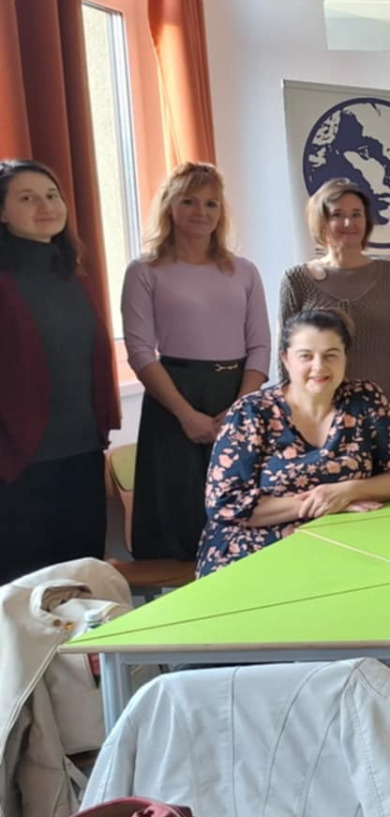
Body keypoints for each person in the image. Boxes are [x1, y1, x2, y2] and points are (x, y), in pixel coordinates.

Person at [120, 162, 271, 561]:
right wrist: (186, 415)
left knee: (240, 513)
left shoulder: (244, 271)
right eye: (189, 201)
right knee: (177, 517)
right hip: (173, 400)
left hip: (236, 395)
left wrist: (238, 410)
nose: (201, 211)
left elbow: (260, 346)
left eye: (211, 203)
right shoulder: (144, 271)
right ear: (170, 207)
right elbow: (139, 351)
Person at [197, 309, 390, 576]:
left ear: (345, 357)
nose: (319, 367)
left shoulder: (366, 398)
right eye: (306, 356)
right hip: (255, 549)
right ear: (285, 359)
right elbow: (224, 504)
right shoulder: (252, 411)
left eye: (331, 355)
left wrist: (348, 490)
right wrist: (322, 504)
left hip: (346, 540)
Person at [0, 160, 118, 582]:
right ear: (2, 212)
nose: (45, 206)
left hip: (81, 454)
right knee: (24, 591)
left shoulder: (75, 277)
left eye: (52, 195)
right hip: (18, 463)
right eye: (27, 198)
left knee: (82, 580)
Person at [279, 179, 390, 455]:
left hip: (387, 414)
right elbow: (285, 358)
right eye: (337, 215)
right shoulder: (296, 280)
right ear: (320, 220)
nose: (348, 223)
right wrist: (287, 421)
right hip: (320, 420)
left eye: (356, 214)